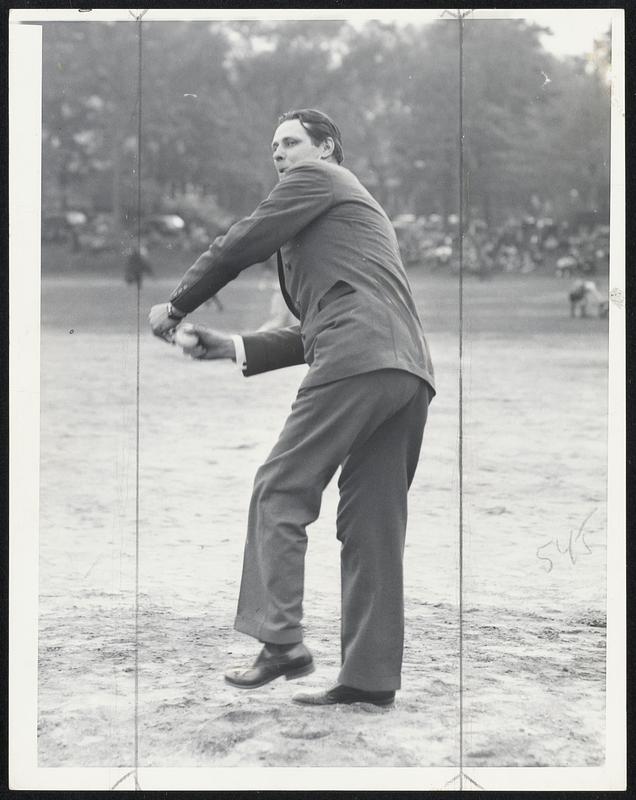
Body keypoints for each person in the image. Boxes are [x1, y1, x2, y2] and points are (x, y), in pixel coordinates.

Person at [149, 108, 436, 707]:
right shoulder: (343, 210)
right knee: (371, 523)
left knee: (280, 489)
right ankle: (369, 678)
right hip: (404, 370)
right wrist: (232, 346)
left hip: (358, 358)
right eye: (274, 145)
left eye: (291, 142)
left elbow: (241, 243)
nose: (279, 154)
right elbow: (321, 322)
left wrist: (175, 307)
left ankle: (280, 641)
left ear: (327, 148)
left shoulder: (319, 180)